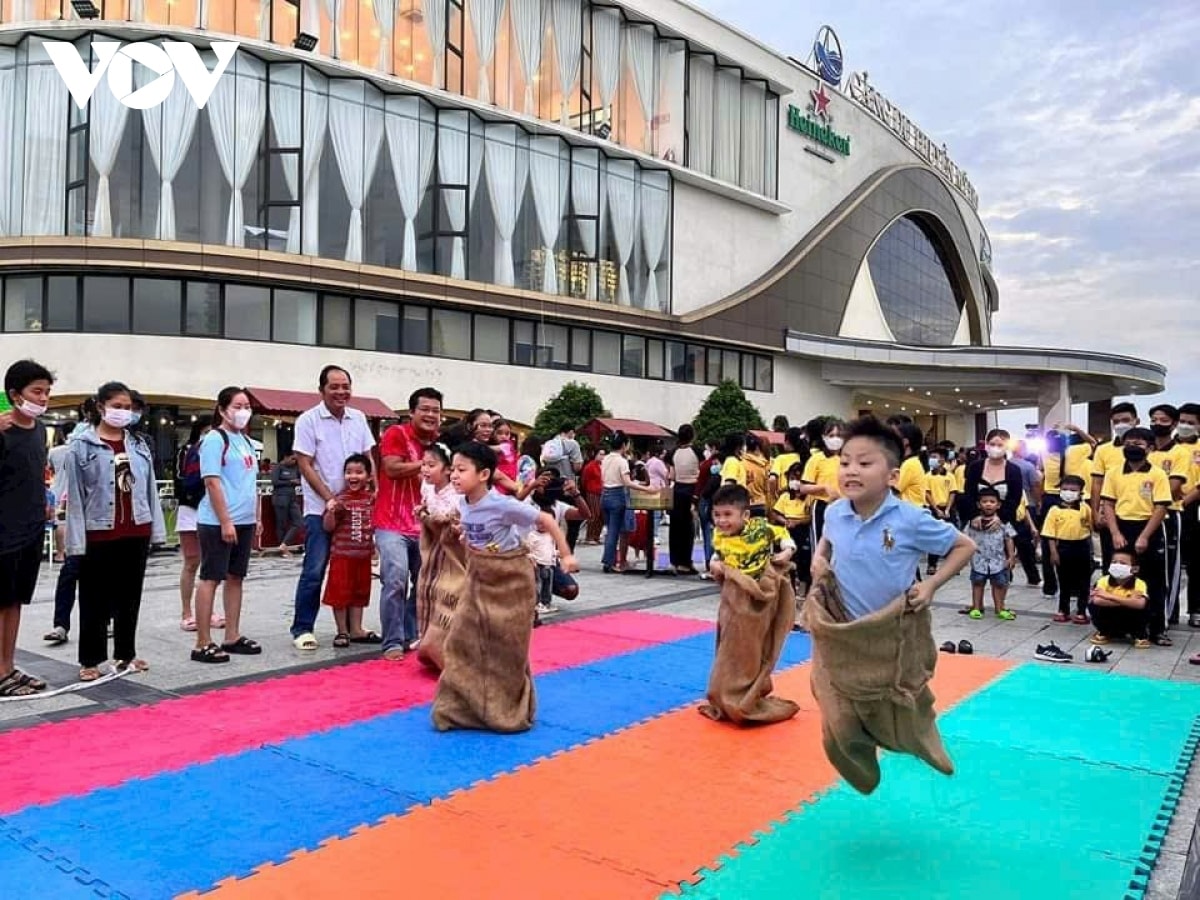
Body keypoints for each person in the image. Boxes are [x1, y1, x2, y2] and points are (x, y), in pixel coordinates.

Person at [805, 415, 975, 795]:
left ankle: (920, 735)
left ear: (892, 476)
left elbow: (965, 546)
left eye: (865, 463)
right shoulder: (834, 511)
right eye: (845, 461)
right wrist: (820, 557)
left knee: (896, 702)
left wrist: (930, 584)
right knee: (839, 718)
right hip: (842, 630)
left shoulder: (909, 519)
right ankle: (857, 756)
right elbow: (829, 540)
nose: (851, 470)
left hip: (887, 631)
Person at [432, 442, 577, 733]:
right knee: (460, 640)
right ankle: (461, 706)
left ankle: (505, 709)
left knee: (507, 648)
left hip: (510, 580)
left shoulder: (500, 503)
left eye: (462, 470)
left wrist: (567, 554)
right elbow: (474, 530)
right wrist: (464, 536)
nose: (455, 476)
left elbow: (546, 519)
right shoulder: (463, 503)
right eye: (453, 470)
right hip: (478, 579)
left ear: (484, 474)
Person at [67, 381, 165, 681]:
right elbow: (74, 495)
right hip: (98, 531)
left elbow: (149, 489)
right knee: (93, 598)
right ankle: (91, 659)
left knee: (129, 596)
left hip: (135, 529)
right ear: (101, 407)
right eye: (117, 406)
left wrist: (157, 531)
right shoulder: (81, 445)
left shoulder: (138, 444)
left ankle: (126, 653)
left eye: (127, 408)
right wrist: (74, 540)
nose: (123, 413)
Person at [291, 366, 376, 651]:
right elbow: (304, 463)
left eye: (345, 386)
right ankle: (302, 628)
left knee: (354, 566)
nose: (341, 392)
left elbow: (367, 456)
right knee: (315, 568)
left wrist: (372, 489)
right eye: (334, 387)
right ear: (322, 390)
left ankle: (354, 628)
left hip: (356, 509)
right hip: (320, 509)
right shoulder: (308, 420)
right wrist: (329, 498)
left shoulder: (359, 418)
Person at [699, 483, 798, 725]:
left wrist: (786, 552)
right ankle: (725, 693)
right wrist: (714, 564)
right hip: (733, 598)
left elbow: (785, 538)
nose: (722, 521)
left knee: (753, 647)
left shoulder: (761, 529)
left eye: (727, 515)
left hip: (759, 596)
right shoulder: (720, 536)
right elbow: (718, 555)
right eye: (717, 514)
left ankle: (747, 693)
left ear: (745, 515)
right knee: (729, 645)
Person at [191, 387, 263, 664]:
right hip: (217, 521)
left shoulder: (244, 441)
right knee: (211, 577)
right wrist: (225, 521)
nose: (243, 411)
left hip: (244, 520)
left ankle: (232, 635)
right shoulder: (214, 439)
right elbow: (212, 481)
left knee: (236, 577)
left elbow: (250, 482)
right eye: (237, 405)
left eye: (247, 406)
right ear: (222, 409)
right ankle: (202, 641)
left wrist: (254, 518)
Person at [0, 360, 55, 696]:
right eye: (37, 391)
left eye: (47, 391)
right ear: (14, 394)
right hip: (3, 531)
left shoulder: (38, 430)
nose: (43, 398)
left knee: (16, 601)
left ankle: (7, 665)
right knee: (1, 602)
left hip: (31, 528)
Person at [375, 387, 442, 660]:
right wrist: (429, 463)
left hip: (426, 524)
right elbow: (391, 468)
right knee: (395, 579)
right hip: (391, 522)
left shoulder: (441, 443)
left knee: (426, 584)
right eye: (424, 409)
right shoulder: (396, 434)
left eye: (435, 411)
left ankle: (412, 634)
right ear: (412, 412)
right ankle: (391, 640)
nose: (430, 415)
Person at [1099, 426, 1172, 646]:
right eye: (1129, 443)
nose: (1133, 447)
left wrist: (1144, 537)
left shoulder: (1157, 474)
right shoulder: (1113, 472)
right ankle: (1117, 628)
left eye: (1139, 444)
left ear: (1150, 448)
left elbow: (1161, 508)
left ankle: (1156, 629)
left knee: (1153, 581)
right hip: (1121, 527)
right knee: (1117, 578)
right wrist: (1115, 533)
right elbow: (1108, 504)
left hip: (1149, 527)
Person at [322, 454, 382, 649]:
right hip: (341, 556)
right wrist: (331, 511)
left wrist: (375, 550)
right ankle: (342, 631)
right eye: (348, 472)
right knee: (339, 594)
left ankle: (356, 629)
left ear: (369, 476)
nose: (353, 476)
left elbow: (375, 526)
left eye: (358, 472)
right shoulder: (340, 499)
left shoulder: (372, 500)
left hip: (363, 556)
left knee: (359, 593)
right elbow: (328, 527)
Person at [174, 416, 222, 633]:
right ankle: (186, 612)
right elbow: (181, 482)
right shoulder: (187, 452)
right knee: (191, 561)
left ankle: (208, 610)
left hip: (212, 511)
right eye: (206, 431)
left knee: (210, 563)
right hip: (190, 509)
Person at [1147, 403, 1192, 627]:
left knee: (1168, 568)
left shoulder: (1180, 453)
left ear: (1173, 423)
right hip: (1140, 516)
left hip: (1169, 514)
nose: (1157, 424)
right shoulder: (1145, 449)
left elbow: (1173, 487)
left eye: (1163, 420)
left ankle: (1168, 614)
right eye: (1154, 420)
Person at [527, 467, 590, 619]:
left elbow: (586, 515)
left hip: (548, 560)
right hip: (526, 559)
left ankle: (544, 593)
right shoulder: (526, 501)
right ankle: (530, 594)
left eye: (552, 481)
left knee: (570, 590)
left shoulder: (557, 505)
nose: (547, 484)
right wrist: (531, 487)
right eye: (544, 480)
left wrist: (575, 494)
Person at [1091, 402, 1141, 572]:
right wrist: (1095, 512)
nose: (1121, 425)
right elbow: (1097, 483)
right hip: (1111, 514)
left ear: (1136, 421)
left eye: (1126, 420)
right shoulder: (1103, 450)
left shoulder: (1148, 448)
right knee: (1111, 562)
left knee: (1139, 563)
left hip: (1139, 514)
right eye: (1116, 421)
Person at [599, 432, 656, 573]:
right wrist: (646, 489)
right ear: (624, 445)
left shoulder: (605, 458)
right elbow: (627, 482)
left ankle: (609, 561)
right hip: (617, 495)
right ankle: (610, 562)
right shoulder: (621, 461)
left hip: (605, 494)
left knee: (610, 530)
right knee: (615, 531)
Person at [1041, 474, 1093, 624]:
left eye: (1073, 490)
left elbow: (1090, 527)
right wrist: (1053, 552)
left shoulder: (1085, 509)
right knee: (1064, 581)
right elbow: (1049, 533)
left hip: (1082, 546)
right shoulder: (1054, 510)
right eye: (1065, 489)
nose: (1068, 492)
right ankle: (1063, 610)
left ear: (1080, 492)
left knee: (1084, 581)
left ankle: (1081, 611)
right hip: (1062, 547)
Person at [963, 488, 1018, 621]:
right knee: (977, 584)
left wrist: (1011, 556)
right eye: (985, 501)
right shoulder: (973, 522)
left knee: (999, 584)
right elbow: (965, 538)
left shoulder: (1003, 522)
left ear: (998, 504)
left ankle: (1000, 608)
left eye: (992, 501)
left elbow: (1009, 538)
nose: (988, 504)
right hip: (978, 560)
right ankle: (976, 607)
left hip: (998, 561)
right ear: (978, 504)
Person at [771, 461, 812, 610]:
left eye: (798, 478)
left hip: (802, 530)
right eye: (792, 477)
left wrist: (798, 521)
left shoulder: (809, 498)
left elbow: (810, 517)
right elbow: (775, 513)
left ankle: (803, 591)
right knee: (789, 563)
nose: (795, 481)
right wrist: (785, 521)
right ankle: (790, 593)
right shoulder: (785, 497)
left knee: (804, 562)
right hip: (787, 530)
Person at [1089, 549, 1149, 648]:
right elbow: (1097, 600)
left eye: (1122, 563)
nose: (1117, 565)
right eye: (1114, 562)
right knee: (1095, 605)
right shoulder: (1103, 580)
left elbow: (1140, 604)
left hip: (1130, 617)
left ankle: (1139, 635)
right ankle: (1104, 632)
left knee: (1144, 607)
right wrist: (1128, 600)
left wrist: (1108, 596)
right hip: (1110, 616)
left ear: (1135, 569)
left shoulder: (1139, 583)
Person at [799, 420, 842, 546]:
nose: (835, 439)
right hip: (821, 506)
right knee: (820, 544)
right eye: (831, 436)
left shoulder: (846, 459)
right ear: (824, 437)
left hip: (842, 507)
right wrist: (823, 487)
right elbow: (803, 487)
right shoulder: (817, 459)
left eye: (839, 436)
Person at [1179, 402, 1200, 631]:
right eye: (1182, 421)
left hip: (1194, 510)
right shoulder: (1166, 448)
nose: (1185, 426)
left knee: (1196, 564)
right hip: (1166, 509)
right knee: (1171, 563)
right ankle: (1169, 610)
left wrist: (1184, 501)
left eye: (1190, 423)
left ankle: (1195, 610)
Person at [669, 425, 700, 574]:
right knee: (688, 528)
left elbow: (671, 476)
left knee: (675, 528)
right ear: (692, 436)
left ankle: (674, 562)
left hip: (677, 490)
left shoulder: (673, 452)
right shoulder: (697, 451)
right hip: (691, 490)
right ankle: (686, 562)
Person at [923, 451, 957, 575]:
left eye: (935, 457)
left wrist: (947, 509)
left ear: (942, 460)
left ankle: (952, 564)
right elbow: (927, 493)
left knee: (951, 536)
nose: (932, 459)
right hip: (933, 508)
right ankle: (932, 564)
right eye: (931, 457)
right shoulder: (927, 476)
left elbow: (952, 492)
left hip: (947, 508)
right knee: (933, 537)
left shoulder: (950, 476)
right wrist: (936, 509)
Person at [271, 452, 304, 556]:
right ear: (286, 457)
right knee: (282, 524)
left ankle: (284, 544)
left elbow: (301, 479)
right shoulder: (278, 467)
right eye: (292, 459)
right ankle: (282, 549)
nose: (294, 461)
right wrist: (290, 482)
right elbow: (274, 482)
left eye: (295, 459)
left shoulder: (296, 468)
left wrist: (298, 481)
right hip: (280, 498)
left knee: (298, 522)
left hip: (292, 498)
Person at [893, 422, 928, 508]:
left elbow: (894, 489)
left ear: (905, 442)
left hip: (911, 511)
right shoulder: (912, 461)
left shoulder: (909, 464)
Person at [581, 446, 606, 546]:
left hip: (602, 492)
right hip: (592, 492)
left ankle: (596, 535)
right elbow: (584, 480)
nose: (602, 456)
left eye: (604, 454)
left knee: (601, 516)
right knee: (594, 514)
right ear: (595, 455)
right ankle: (589, 536)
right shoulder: (590, 466)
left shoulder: (603, 466)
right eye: (600, 454)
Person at [741, 435, 770, 518]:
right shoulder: (764, 465)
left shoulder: (741, 464)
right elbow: (767, 490)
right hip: (761, 504)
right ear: (757, 448)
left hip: (746, 505)